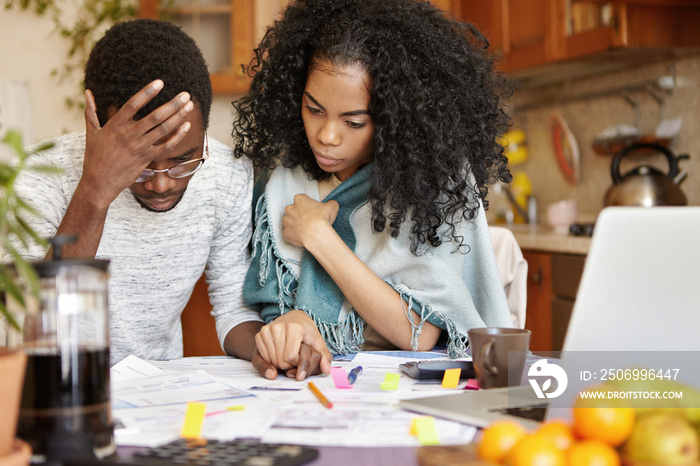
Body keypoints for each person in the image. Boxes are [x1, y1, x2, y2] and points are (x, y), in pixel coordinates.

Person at [234, 0, 514, 380]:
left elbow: (418, 333)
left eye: (353, 122)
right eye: (313, 109)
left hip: (407, 387)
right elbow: (260, 313)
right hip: (314, 386)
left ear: (394, 120)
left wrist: (319, 237)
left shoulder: (432, 184)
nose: (326, 136)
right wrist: (288, 331)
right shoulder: (282, 182)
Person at [14, 19, 263, 364]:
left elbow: (233, 307)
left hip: (158, 395)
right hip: (58, 395)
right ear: (95, 124)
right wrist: (94, 189)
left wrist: (271, 351)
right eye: (140, 163)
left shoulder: (228, 174)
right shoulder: (40, 173)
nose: (162, 184)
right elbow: (28, 326)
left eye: (183, 159)